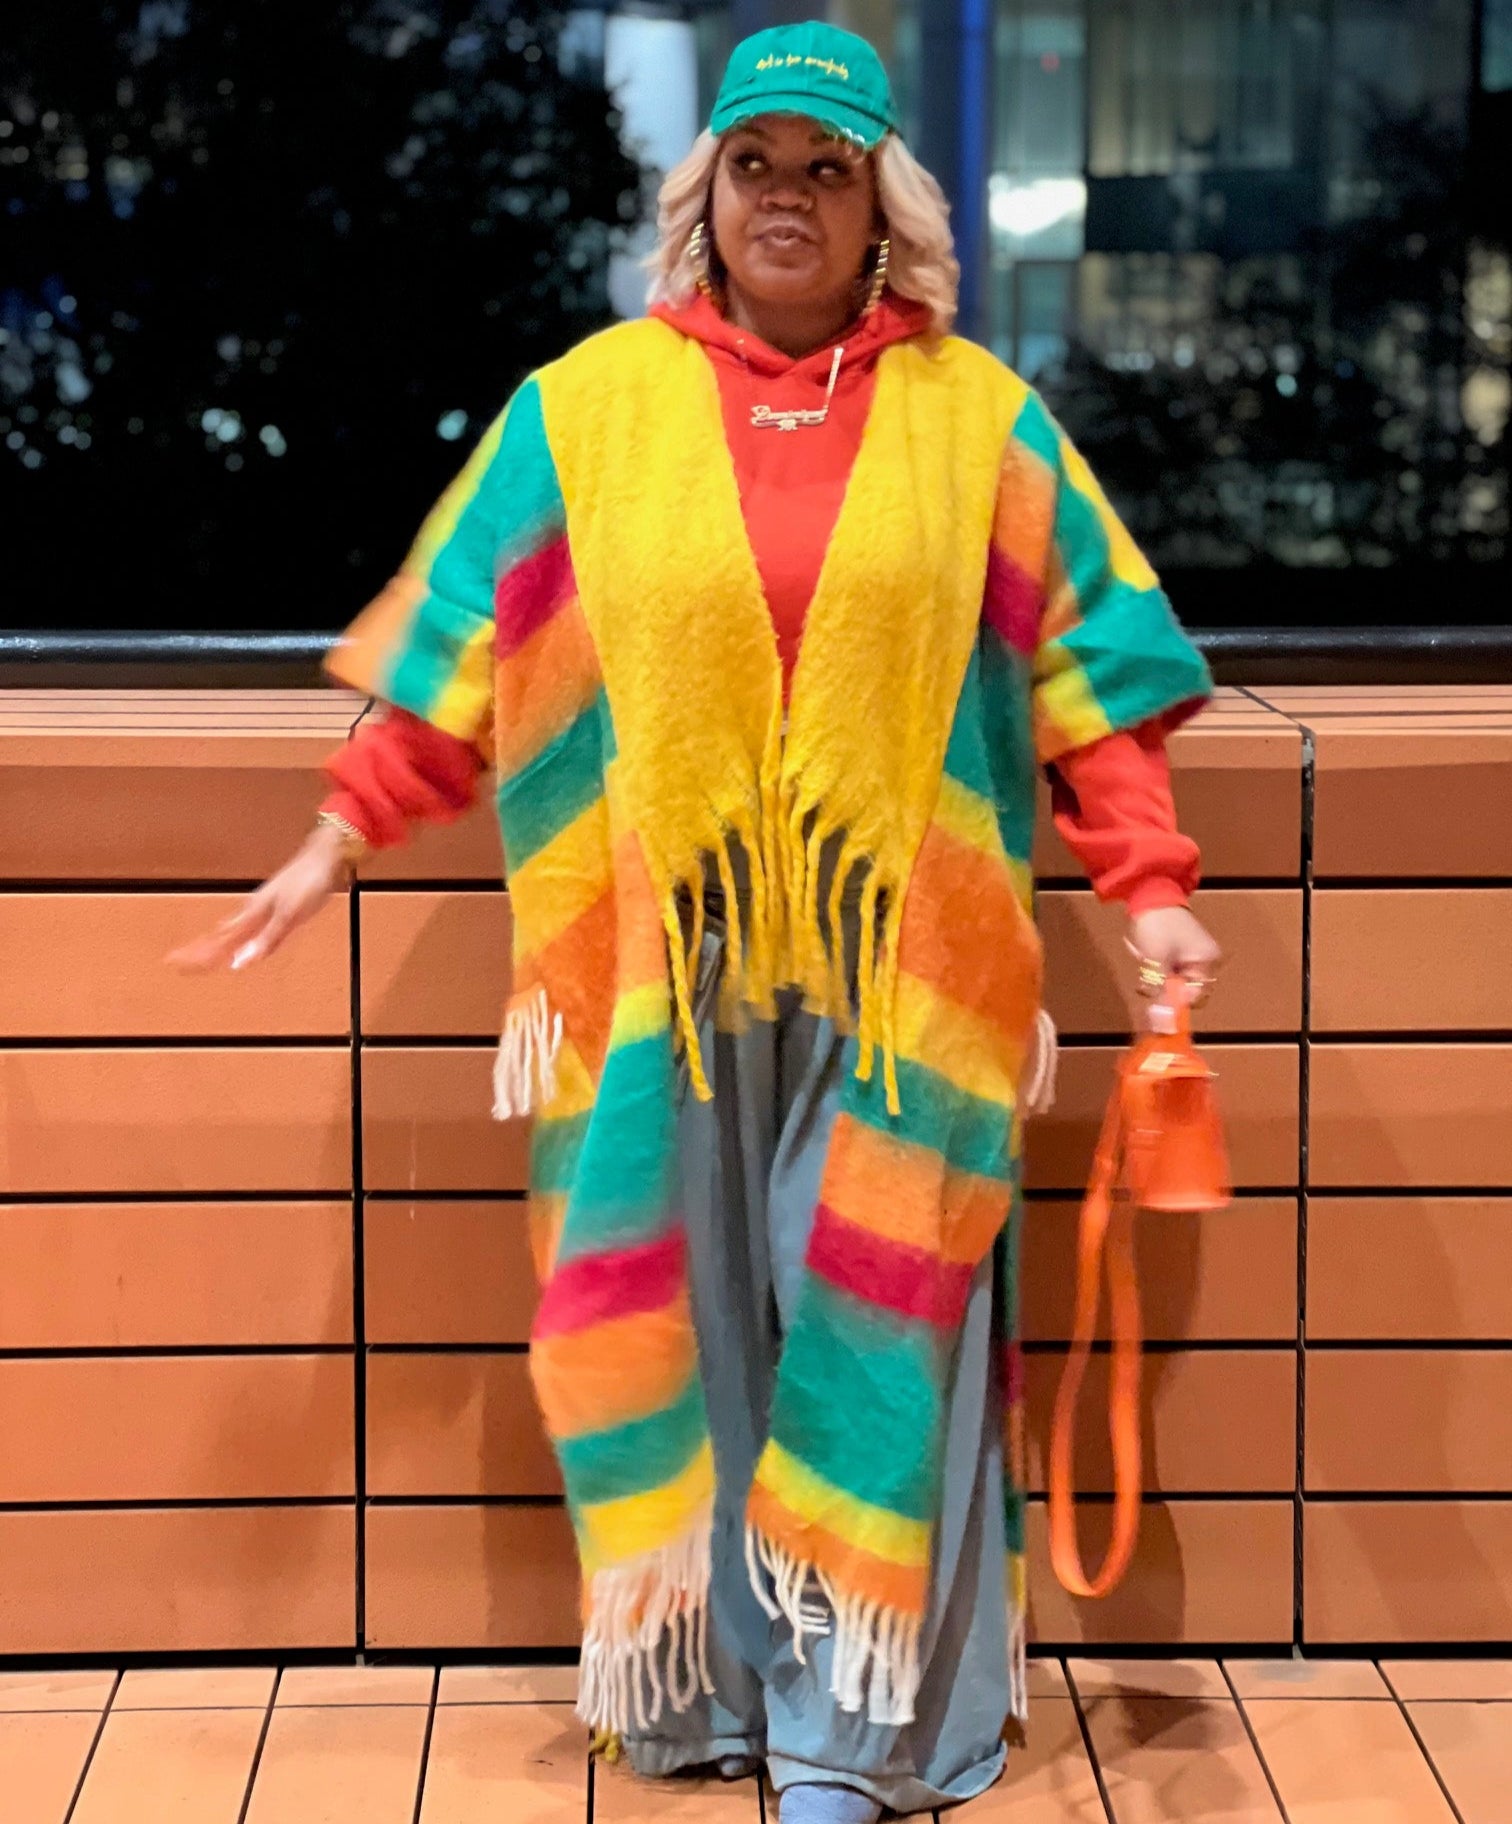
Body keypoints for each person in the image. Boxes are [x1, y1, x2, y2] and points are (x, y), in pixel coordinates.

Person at [174, 21, 1221, 1822]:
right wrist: (334, 840)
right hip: (656, 973)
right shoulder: (584, 410)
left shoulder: (981, 419)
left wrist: (1153, 892)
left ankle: (861, 1734)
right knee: (682, 1326)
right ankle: (706, 1696)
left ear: (883, 206)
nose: (787, 198)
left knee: (888, 1327)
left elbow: (1087, 678)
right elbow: (464, 657)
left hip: (903, 978)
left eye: (828, 168)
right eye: (755, 164)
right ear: (707, 190)